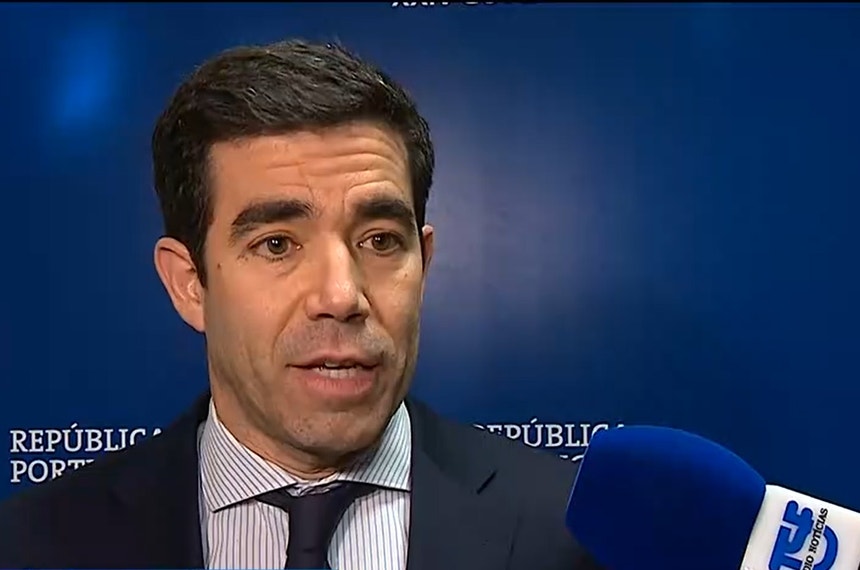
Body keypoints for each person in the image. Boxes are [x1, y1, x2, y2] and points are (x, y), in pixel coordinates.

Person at [0, 39, 601, 570]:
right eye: (277, 244)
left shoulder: (579, 534)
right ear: (189, 284)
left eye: (379, 241)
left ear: (423, 263)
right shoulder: (33, 544)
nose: (341, 296)